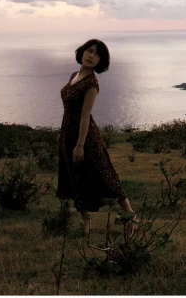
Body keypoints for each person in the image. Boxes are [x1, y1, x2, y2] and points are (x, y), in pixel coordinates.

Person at [56, 38, 139, 237]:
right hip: (68, 134)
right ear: (82, 52)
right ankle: (86, 221)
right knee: (74, 177)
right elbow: (69, 110)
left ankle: (131, 217)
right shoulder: (74, 75)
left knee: (106, 176)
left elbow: (85, 115)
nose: (92, 55)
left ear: (100, 61)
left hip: (86, 139)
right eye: (89, 50)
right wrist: (62, 135)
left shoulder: (91, 83)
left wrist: (80, 145)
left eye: (97, 54)